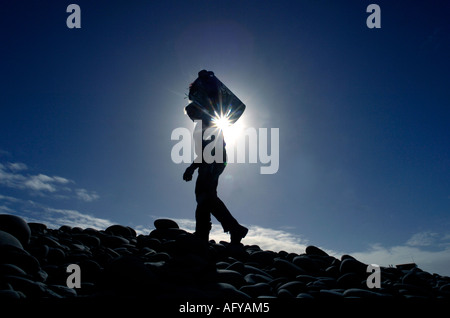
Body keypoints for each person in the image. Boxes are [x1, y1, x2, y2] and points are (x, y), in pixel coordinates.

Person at [183, 72, 248, 244]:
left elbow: (209, 150)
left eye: (191, 112)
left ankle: (232, 228)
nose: (190, 116)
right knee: (204, 196)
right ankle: (204, 234)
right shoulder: (202, 124)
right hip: (213, 159)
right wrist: (193, 167)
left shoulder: (207, 121)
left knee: (205, 195)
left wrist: (205, 78)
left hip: (215, 158)